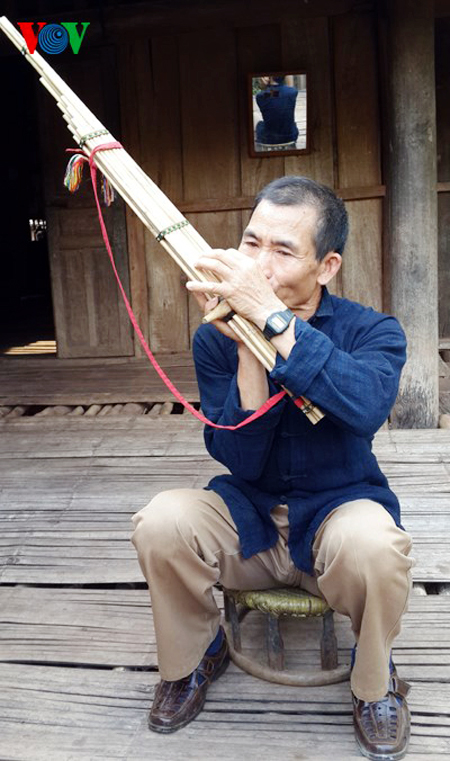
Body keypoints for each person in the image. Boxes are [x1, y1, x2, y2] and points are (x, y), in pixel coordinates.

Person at [131, 176, 413, 760]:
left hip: (335, 517)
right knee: (162, 521)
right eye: (251, 243)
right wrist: (246, 348)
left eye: (283, 250)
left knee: (376, 544)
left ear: (326, 266)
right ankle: (195, 656)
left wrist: (272, 320)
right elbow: (237, 456)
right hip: (250, 518)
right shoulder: (216, 339)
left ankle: (374, 684)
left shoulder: (373, 331)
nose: (258, 264)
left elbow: (365, 407)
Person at [255, 76, 299, 147]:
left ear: (270, 77)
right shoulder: (292, 92)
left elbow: (272, 94)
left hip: (269, 139)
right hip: (290, 137)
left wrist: (265, 86)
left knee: (255, 117)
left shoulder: (260, 96)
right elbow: (282, 93)